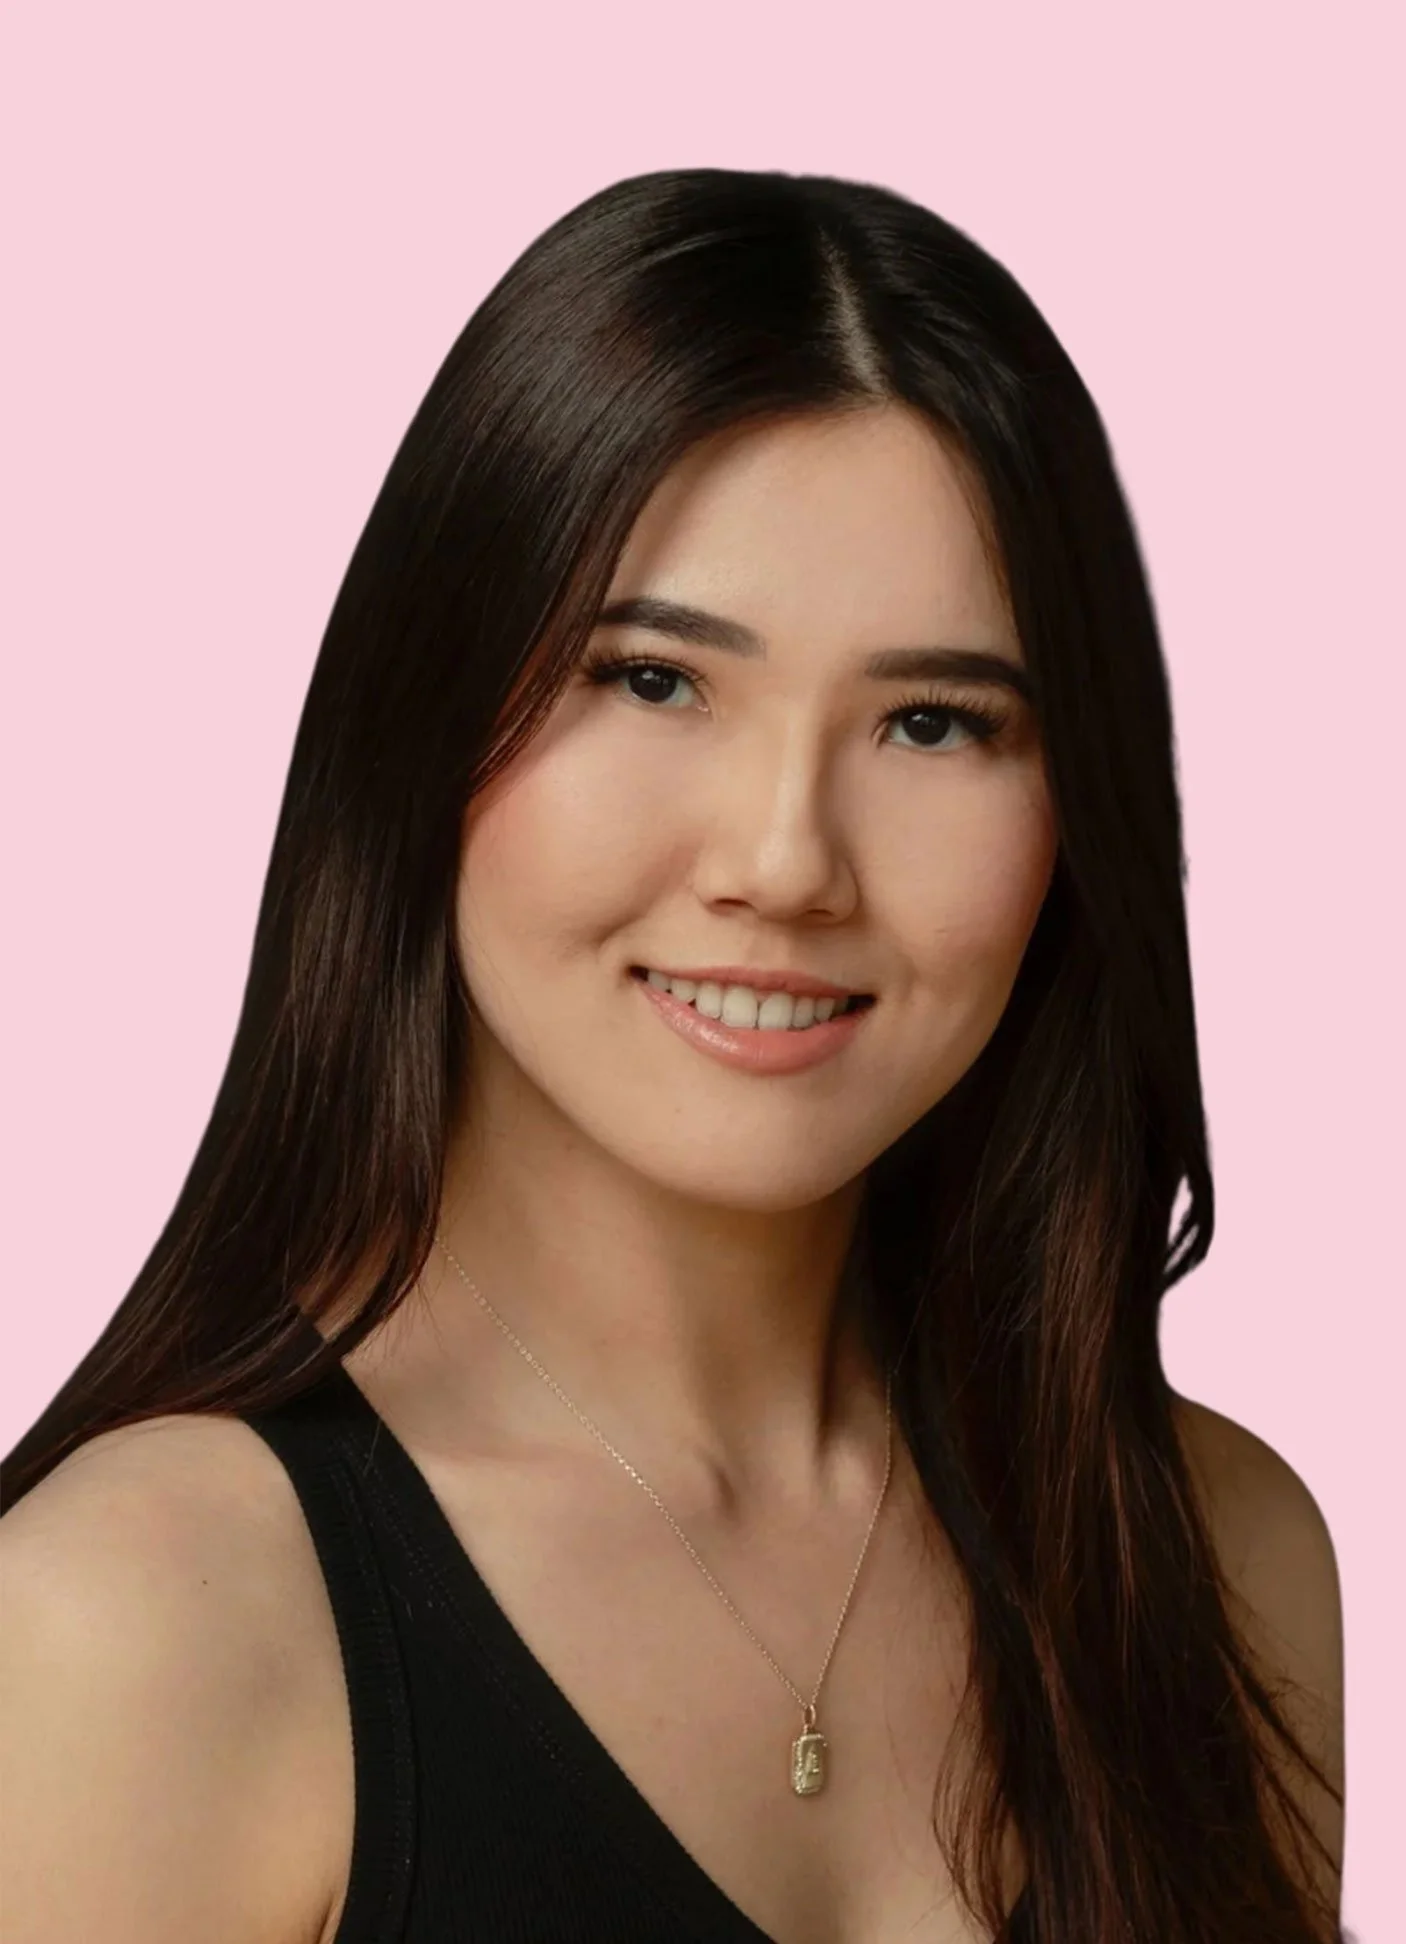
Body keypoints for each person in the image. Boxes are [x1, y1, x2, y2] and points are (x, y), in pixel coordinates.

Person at [0, 168, 1346, 1944]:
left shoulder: (1217, 1557)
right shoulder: (138, 1628)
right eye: (650, 681)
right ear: (421, 718)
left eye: (933, 722)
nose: (784, 862)